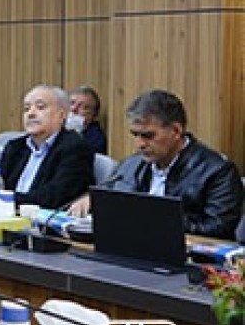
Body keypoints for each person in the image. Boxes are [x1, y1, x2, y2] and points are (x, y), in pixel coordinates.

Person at [68, 90, 243, 239]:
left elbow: (218, 231)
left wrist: (155, 220)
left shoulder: (218, 171)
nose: (140, 144)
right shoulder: (132, 164)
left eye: (148, 136)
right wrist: (93, 199)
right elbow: (113, 196)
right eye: (135, 135)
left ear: (176, 131)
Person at [0, 85, 94, 209]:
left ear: (61, 115)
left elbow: (54, 197)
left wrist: (4, 199)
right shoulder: (15, 147)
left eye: (40, 107)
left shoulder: (75, 148)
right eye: (26, 109)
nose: (31, 113)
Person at [68, 86, 108, 155]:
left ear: (93, 115)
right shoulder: (55, 127)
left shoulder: (96, 138)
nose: (74, 109)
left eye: (83, 107)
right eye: (72, 103)